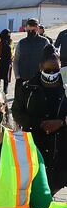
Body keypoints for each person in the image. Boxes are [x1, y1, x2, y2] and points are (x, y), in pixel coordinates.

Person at [12, 45, 67, 194]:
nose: (52, 74)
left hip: (61, 149)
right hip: (35, 146)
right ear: (40, 67)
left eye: (56, 70)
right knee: (37, 189)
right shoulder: (27, 88)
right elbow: (17, 112)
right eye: (48, 70)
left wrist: (61, 122)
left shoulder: (65, 87)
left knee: (55, 186)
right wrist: (39, 124)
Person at [13, 18, 49, 97]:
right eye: (29, 30)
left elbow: (48, 59)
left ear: (37, 28)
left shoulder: (44, 42)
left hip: (40, 79)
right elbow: (16, 60)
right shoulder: (21, 43)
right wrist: (17, 76)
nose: (30, 32)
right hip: (23, 78)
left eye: (33, 30)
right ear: (26, 28)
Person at [0, 29, 14, 95]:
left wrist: (12, 58)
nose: (9, 35)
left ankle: (5, 90)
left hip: (7, 61)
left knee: (6, 77)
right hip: (0, 61)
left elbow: (12, 50)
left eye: (9, 34)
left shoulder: (10, 41)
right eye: (7, 33)